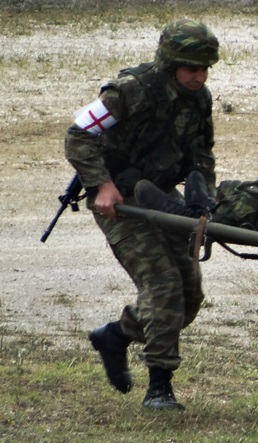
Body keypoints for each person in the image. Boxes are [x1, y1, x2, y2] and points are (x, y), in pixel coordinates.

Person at [64, 19, 221, 410]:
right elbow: (79, 134)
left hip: (162, 199)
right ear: (170, 64)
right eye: (191, 69)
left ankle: (115, 335)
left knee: (189, 295)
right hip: (120, 202)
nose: (199, 77)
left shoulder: (199, 99)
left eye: (205, 69)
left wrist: (207, 201)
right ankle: (160, 388)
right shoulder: (129, 91)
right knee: (163, 285)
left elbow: (202, 154)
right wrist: (102, 185)